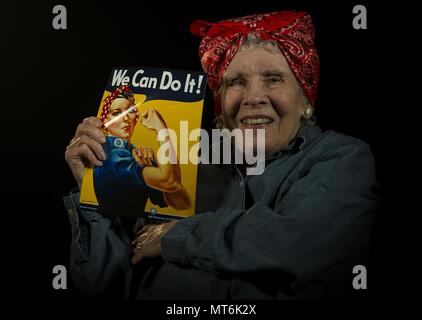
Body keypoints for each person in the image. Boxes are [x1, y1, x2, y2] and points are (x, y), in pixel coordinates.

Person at [63, 11, 379, 299]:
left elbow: (291, 243)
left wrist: (176, 236)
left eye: (274, 78)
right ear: (219, 108)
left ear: (305, 99)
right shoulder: (188, 169)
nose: (254, 96)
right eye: (236, 82)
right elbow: (109, 288)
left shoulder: (343, 159)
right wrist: (94, 189)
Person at [68, 85, 191, 218]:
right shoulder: (111, 154)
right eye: (116, 113)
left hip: (137, 235)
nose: (125, 118)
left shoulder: (133, 152)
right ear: (105, 121)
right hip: (112, 234)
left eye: (130, 110)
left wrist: (152, 165)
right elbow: (170, 182)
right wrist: (161, 129)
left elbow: (183, 203)